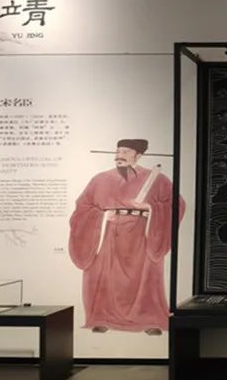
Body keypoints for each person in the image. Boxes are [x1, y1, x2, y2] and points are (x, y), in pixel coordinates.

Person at [69, 139, 178, 335]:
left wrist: (150, 207)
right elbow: (82, 207)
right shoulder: (100, 179)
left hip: (143, 233)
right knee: (103, 273)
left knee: (147, 275)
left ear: (138, 155)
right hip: (109, 232)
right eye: (118, 151)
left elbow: (176, 204)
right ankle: (102, 318)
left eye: (126, 152)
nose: (119, 156)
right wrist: (102, 216)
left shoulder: (158, 179)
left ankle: (149, 320)